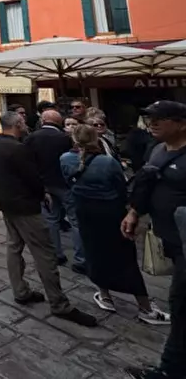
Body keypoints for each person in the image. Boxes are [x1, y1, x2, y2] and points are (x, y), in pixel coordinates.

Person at [0, 111, 97, 327]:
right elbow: (31, 177)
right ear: (19, 123)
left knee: (14, 247)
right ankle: (59, 304)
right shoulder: (18, 149)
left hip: (6, 203)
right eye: (23, 121)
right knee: (45, 253)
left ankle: (20, 290)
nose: (27, 124)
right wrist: (42, 195)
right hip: (25, 206)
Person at [60, 124, 169, 325]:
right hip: (110, 213)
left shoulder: (65, 159)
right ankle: (145, 307)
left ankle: (105, 296)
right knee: (125, 258)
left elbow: (68, 183)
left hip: (84, 211)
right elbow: (121, 188)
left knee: (95, 254)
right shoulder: (107, 162)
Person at [124, 101, 186, 379]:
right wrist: (134, 212)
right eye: (149, 117)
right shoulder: (157, 149)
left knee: (180, 306)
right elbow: (146, 182)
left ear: (181, 123)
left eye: (160, 118)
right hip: (170, 241)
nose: (153, 123)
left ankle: (169, 371)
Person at [24, 110, 85, 273]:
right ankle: (81, 259)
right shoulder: (65, 138)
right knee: (75, 221)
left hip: (44, 186)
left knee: (51, 220)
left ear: (43, 121)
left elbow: (28, 162)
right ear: (59, 123)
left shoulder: (32, 138)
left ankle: (56, 254)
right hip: (65, 185)